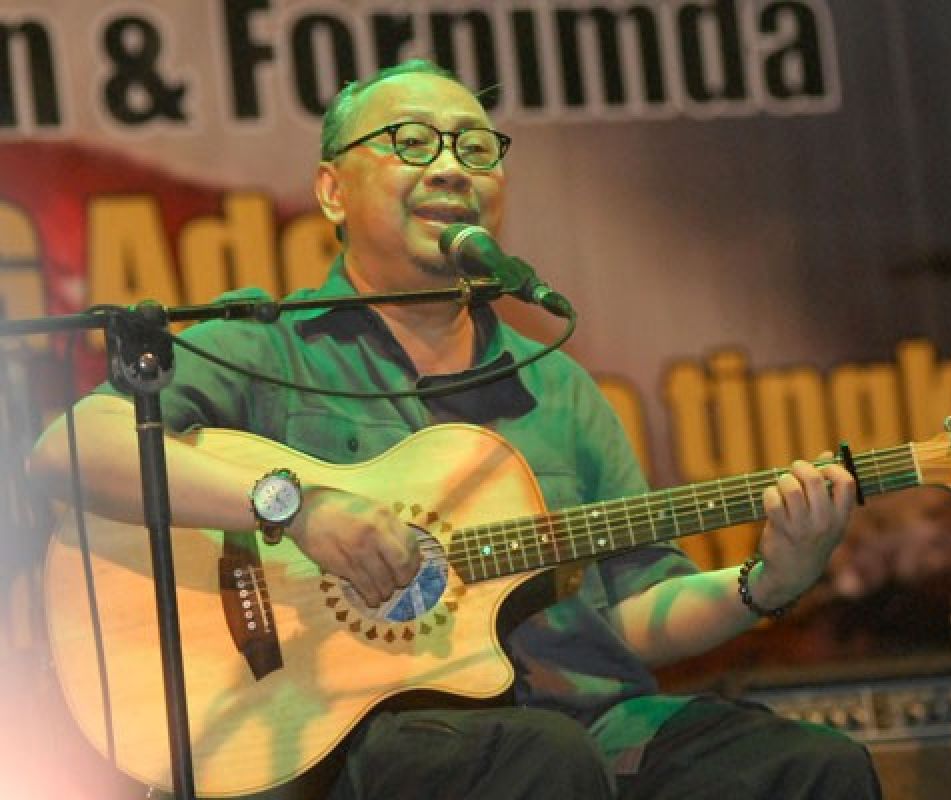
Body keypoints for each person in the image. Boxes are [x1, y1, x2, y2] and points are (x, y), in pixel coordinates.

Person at [29, 60, 881, 799]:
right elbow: (69, 448)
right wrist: (294, 505)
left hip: (586, 722)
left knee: (810, 767)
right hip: (360, 741)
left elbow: (632, 610)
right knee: (538, 763)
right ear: (332, 189)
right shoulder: (263, 350)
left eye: (475, 148)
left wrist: (771, 579)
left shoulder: (557, 385)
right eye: (410, 142)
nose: (450, 167)